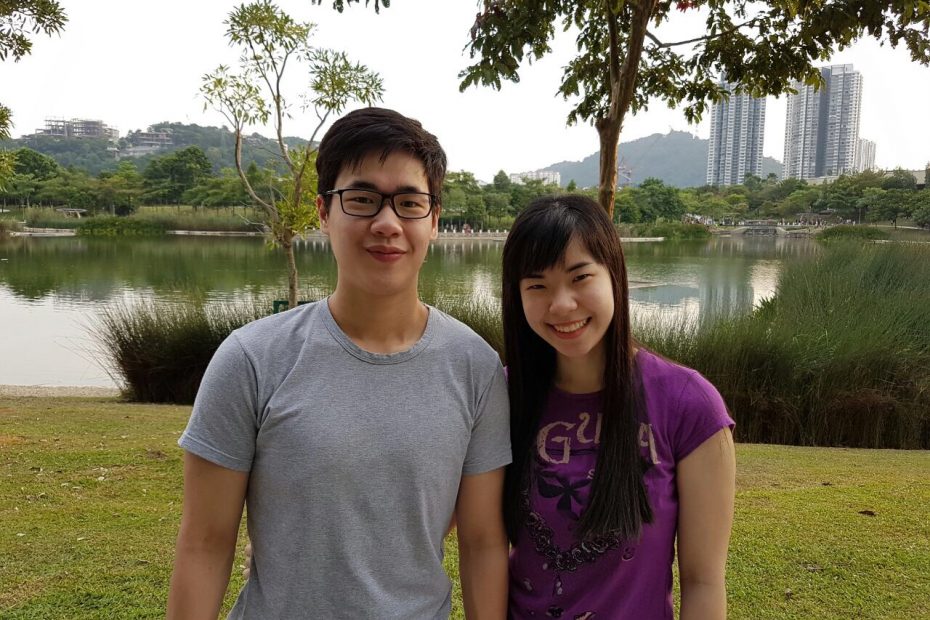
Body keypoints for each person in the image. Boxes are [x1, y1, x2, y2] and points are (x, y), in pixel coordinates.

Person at [167, 107, 511, 619]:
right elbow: (205, 543)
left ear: (434, 220)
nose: (387, 224)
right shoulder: (252, 359)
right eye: (362, 199)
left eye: (409, 203)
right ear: (324, 212)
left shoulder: (475, 367)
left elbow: (482, 543)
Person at [501, 195, 735, 619]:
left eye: (580, 277)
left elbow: (703, 581)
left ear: (614, 274)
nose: (561, 304)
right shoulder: (500, 396)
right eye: (537, 286)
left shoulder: (689, 403)